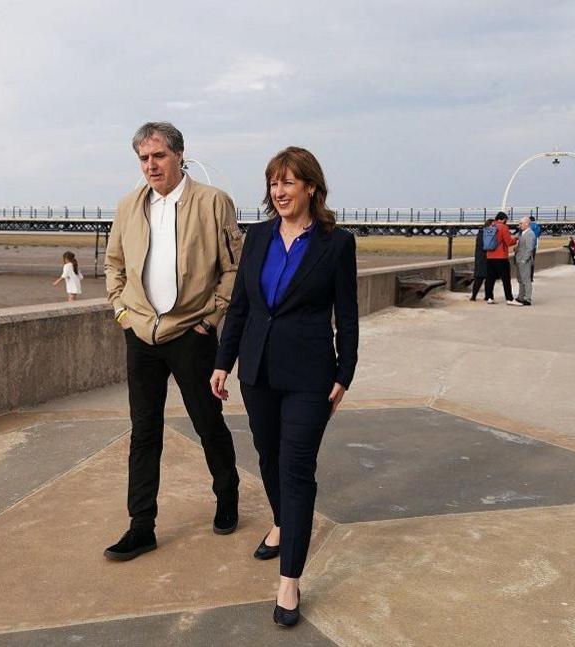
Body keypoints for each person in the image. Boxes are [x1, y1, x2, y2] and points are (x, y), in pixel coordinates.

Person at [209, 147, 358, 628]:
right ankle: (281, 523)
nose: (279, 191)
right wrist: (223, 361)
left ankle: (289, 580)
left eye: (289, 182)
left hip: (310, 376)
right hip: (258, 372)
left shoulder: (336, 244)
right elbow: (241, 307)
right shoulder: (257, 236)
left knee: (296, 468)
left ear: (311, 187)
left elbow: (347, 316)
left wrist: (344, 373)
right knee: (268, 457)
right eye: (274, 183)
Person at [103, 122, 242, 562]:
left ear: (179, 155)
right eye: (143, 158)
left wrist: (211, 317)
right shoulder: (128, 206)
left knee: (207, 422)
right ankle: (141, 526)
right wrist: (122, 312)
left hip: (191, 333)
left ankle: (227, 494)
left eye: (158, 156)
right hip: (141, 334)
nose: (150, 166)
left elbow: (233, 268)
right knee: (144, 432)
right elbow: (114, 264)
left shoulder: (213, 201)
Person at [484, 212, 517, 304]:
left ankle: (489, 297)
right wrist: (516, 239)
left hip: (489, 256)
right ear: (503, 219)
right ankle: (509, 299)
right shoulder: (503, 227)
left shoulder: (490, 226)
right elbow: (509, 242)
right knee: (505, 279)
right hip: (501, 257)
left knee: (490, 278)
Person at [513, 217, 536, 306]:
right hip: (519, 259)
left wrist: (524, 260)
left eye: (521, 223)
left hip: (524, 261)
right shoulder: (522, 233)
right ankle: (521, 297)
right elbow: (522, 246)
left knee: (526, 280)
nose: (519, 225)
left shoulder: (530, 234)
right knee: (520, 279)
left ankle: (527, 299)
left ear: (527, 223)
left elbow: (529, 249)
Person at [470, 217, 491, 301]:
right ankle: (474, 296)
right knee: (479, 278)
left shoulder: (483, 233)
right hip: (481, 259)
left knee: (487, 279)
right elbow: (484, 246)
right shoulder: (482, 234)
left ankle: (487, 296)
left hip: (484, 259)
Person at [528, 215, 541, 283]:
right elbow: (538, 235)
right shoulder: (537, 226)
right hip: (534, 246)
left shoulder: (528, 225)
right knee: (532, 261)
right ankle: (531, 277)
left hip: (527, 246)